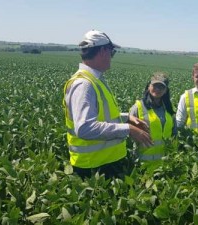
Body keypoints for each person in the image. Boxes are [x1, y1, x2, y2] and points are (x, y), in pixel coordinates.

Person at [63, 29, 153, 179]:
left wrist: (126, 118)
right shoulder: (84, 84)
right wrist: (128, 129)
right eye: (112, 52)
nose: (112, 57)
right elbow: (84, 128)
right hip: (94, 168)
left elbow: (103, 116)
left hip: (106, 163)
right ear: (103, 51)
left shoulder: (95, 80)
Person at [129, 72, 176, 161]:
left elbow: (174, 134)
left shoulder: (170, 109)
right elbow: (129, 132)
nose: (157, 89)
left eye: (161, 87)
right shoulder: (138, 107)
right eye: (155, 86)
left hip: (165, 162)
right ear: (149, 87)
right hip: (143, 161)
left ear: (166, 90)